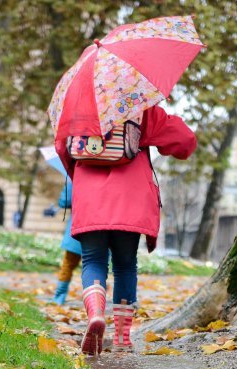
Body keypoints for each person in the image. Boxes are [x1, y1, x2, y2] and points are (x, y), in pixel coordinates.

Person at [56, 104, 197, 355]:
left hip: (90, 197)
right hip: (130, 199)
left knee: (92, 260)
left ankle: (96, 315)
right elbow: (184, 141)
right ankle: (122, 337)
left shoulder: (78, 107)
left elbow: (62, 147)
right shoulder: (140, 108)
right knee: (124, 265)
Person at [51, 180, 82, 305]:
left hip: (78, 227)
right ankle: (95, 304)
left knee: (68, 264)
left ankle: (59, 298)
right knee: (96, 266)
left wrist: (68, 184)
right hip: (101, 229)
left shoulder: (76, 175)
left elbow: (64, 202)